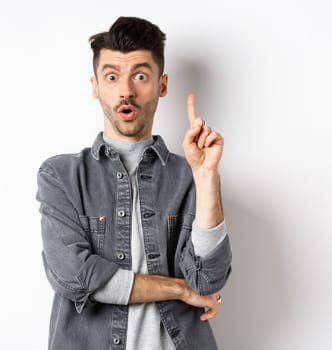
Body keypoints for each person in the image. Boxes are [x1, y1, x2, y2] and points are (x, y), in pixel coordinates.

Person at [36, 16, 232, 350]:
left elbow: (207, 280)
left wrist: (206, 178)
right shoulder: (61, 176)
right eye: (112, 76)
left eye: (140, 76)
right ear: (96, 86)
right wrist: (179, 289)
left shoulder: (190, 176)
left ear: (162, 85)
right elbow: (74, 277)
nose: (126, 91)